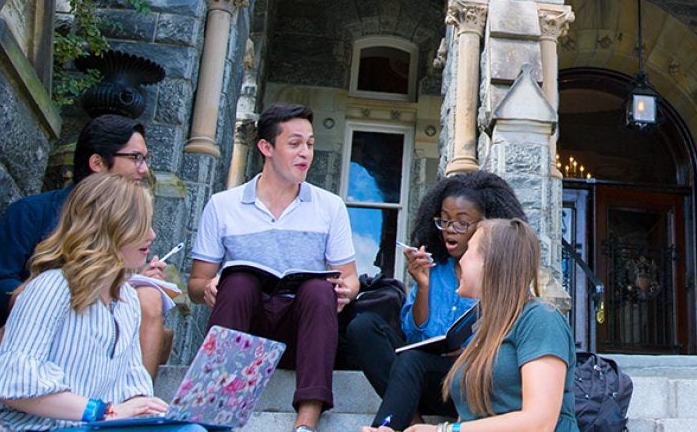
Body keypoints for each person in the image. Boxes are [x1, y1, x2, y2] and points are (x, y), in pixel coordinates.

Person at [0, 173, 205, 432]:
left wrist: (151, 410)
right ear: (110, 227)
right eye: (141, 225)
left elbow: (132, 385)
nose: (152, 235)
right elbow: (11, 384)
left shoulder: (127, 300)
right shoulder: (52, 287)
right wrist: (104, 411)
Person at [187, 103, 358, 432]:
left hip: (301, 334)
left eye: (309, 143)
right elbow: (196, 283)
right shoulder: (223, 206)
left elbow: (349, 277)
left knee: (319, 289)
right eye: (294, 144)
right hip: (244, 331)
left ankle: (306, 423)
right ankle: (212, 416)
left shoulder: (329, 206)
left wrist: (345, 292)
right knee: (237, 283)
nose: (305, 153)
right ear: (266, 147)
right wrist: (208, 288)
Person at [0, 115, 174, 383]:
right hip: (32, 352)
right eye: (135, 158)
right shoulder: (32, 213)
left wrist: (129, 280)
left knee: (149, 297)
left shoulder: (128, 226)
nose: (144, 170)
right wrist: (55, 295)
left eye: (145, 160)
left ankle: (138, 406)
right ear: (97, 163)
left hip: (95, 354)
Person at [347, 172, 528, 428]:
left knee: (412, 362)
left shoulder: (503, 276)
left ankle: (387, 427)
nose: (450, 230)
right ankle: (412, 421)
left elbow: (515, 345)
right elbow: (415, 336)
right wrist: (423, 286)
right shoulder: (435, 268)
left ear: (488, 224)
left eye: (462, 222)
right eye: (444, 221)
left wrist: (472, 351)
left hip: (474, 383)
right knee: (362, 327)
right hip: (423, 376)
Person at [365, 218, 578, 432]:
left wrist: (444, 431)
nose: (460, 261)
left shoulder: (540, 319)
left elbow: (540, 423)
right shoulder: (484, 328)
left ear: (490, 263)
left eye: (469, 251)